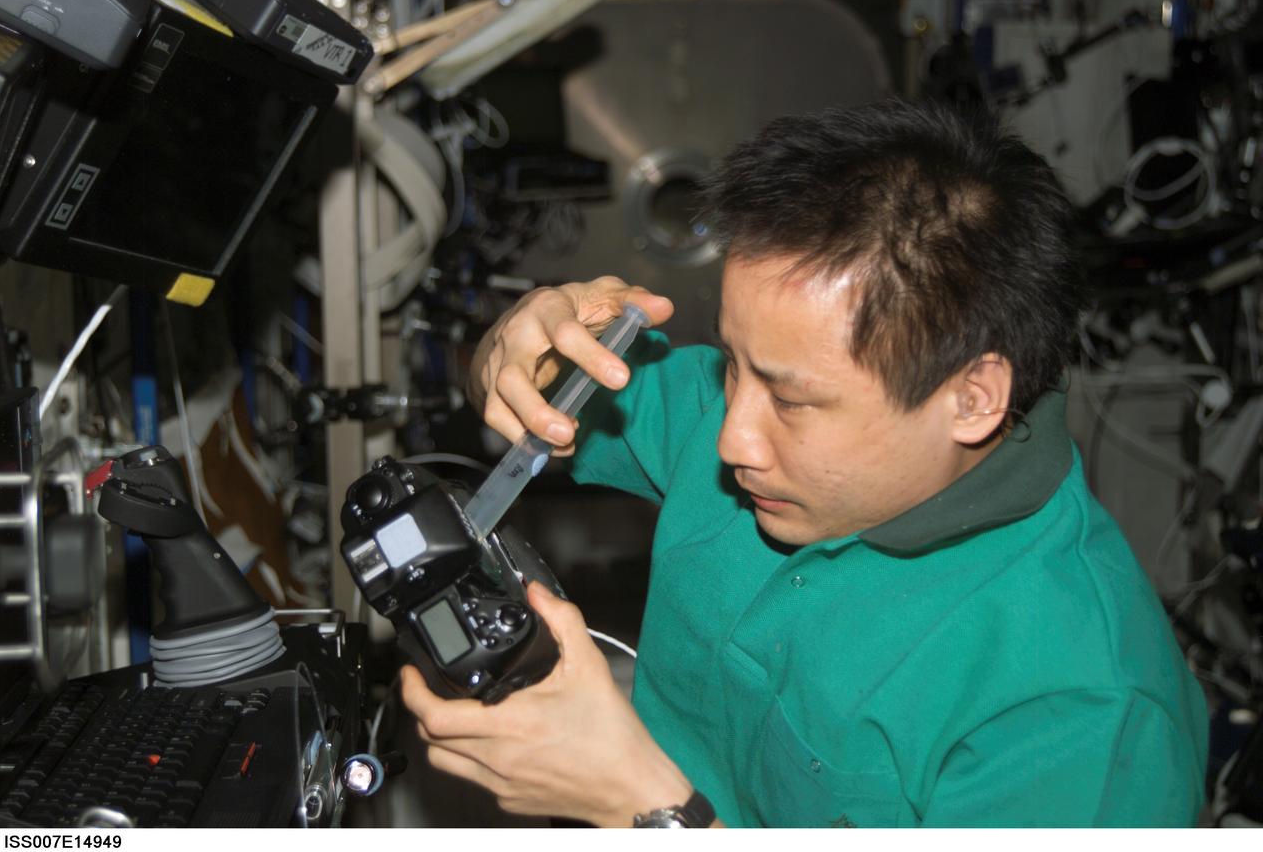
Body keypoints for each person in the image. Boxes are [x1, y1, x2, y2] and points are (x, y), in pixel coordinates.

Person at [399, 99, 1209, 827]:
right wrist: (516, 343)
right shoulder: (740, 414)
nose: (729, 439)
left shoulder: (1084, 712)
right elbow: (520, 387)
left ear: (972, 399)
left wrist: (643, 807)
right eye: (731, 363)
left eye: (791, 400)